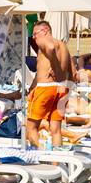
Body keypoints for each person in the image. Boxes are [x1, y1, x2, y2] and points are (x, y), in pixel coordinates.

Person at [24, 20, 73, 148]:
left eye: (35, 33)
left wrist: (55, 65)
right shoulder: (63, 46)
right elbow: (72, 72)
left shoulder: (46, 41)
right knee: (56, 129)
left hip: (46, 87)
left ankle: (39, 157)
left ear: (45, 31)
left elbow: (50, 48)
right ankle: (56, 161)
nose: (34, 37)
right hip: (62, 88)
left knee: (31, 127)